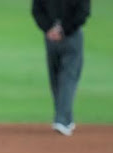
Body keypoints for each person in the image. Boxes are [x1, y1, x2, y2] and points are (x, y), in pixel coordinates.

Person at [32, 0, 90, 136]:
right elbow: (83, 12)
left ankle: (65, 119)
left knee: (56, 78)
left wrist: (49, 29)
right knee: (67, 78)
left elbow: (37, 10)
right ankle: (63, 120)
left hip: (51, 37)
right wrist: (63, 29)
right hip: (72, 36)